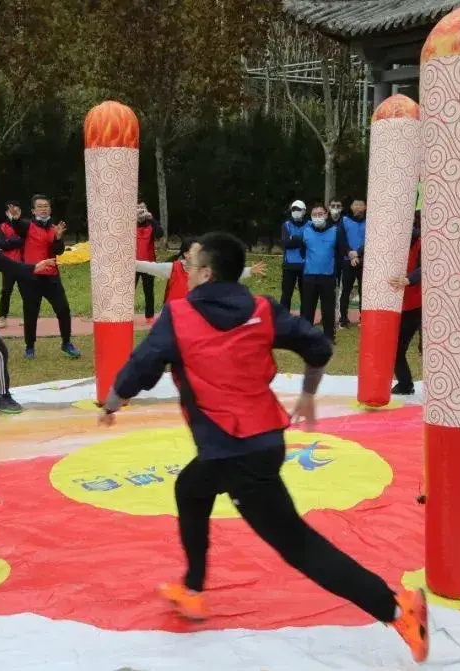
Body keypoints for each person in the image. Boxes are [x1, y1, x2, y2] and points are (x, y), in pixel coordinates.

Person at [97, 231, 429, 663]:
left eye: (191, 264)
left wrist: (113, 401)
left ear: (206, 273)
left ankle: (395, 609)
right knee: (190, 488)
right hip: (257, 443)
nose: (186, 270)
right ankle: (193, 587)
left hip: (237, 455)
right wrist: (308, 393)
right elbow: (318, 346)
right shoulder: (262, 309)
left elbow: (143, 365)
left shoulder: (178, 315)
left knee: (299, 546)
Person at [0, 242, 57, 413]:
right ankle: (2, 397)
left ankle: (2, 396)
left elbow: (6, 264)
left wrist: (34, 267)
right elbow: (5, 263)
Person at [12, 194, 80, 360]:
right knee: (30, 313)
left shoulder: (54, 228)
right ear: (33, 210)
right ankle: (30, 347)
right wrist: (15, 219)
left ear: (50, 209)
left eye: (46, 206)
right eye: (40, 206)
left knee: (63, 309)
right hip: (31, 278)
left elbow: (59, 251)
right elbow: (18, 227)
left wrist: (58, 238)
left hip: (51, 277)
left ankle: (66, 343)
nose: (43, 209)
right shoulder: (27, 226)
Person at [135, 238, 266, 303]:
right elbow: (150, 267)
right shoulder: (173, 268)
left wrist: (250, 270)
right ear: (186, 254)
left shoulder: (206, 270)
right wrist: (133, 263)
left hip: (195, 315)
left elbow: (226, 274)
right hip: (174, 316)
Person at [298, 203, 345, 342]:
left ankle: (329, 337)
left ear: (326, 214)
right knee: (307, 308)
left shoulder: (335, 231)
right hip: (309, 276)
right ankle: (306, 336)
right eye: (314, 214)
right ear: (311, 216)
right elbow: (302, 251)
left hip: (328, 276)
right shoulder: (306, 232)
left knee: (328, 309)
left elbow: (340, 252)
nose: (317, 217)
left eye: (320, 214)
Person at [387, 212, 422, 395]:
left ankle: (407, 384)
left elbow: (427, 266)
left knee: (398, 349)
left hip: (418, 305)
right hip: (401, 305)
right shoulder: (396, 243)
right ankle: (405, 384)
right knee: (395, 349)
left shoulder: (422, 242)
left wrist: (409, 279)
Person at [0, 200, 25, 329]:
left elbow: (24, 241)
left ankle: (27, 316)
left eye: (16, 210)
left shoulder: (24, 226)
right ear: (7, 212)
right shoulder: (3, 226)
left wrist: (11, 241)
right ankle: (2, 317)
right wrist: (16, 241)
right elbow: (2, 244)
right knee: (6, 291)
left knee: (25, 291)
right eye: (11, 211)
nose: (14, 213)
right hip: (8, 264)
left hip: (23, 263)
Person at [338, 199, 366, 330]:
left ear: (365, 207)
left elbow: (370, 239)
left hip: (364, 260)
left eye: (361, 204)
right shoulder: (344, 220)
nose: (358, 207)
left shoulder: (370, 221)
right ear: (351, 206)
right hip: (347, 260)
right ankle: (343, 319)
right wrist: (350, 253)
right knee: (346, 290)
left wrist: (358, 254)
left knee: (363, 291)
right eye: (356, 204)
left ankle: (364, 318)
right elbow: (341, 239)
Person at [135, 201, 165, 323]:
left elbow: (160, 234)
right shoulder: (130, 226)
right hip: (133, 264)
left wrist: (152, 219)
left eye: (142, 210)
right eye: (138, 210)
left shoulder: (151, 227)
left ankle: (149, 317)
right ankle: (124, 316)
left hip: (148, 263)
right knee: (128, 292)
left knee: (148, 291)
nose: (140, 213)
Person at [280, 200, 306, 312]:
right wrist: (300, 239)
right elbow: (285, 243)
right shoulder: (286, 225)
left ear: (304, 211)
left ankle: (305, 318)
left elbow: (309, 242)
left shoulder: (309, 224)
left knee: (305, 296)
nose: (295, 211)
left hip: (305, 266)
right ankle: (283, 318)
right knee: (286, 295)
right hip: (289, 266)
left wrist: (293, 238)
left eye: (298, 209)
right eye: (293, 209)